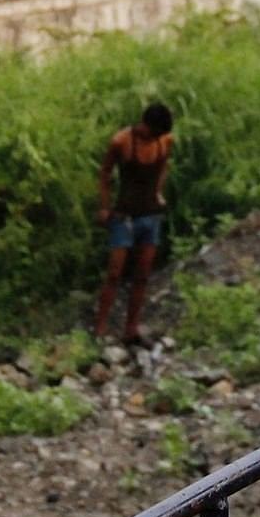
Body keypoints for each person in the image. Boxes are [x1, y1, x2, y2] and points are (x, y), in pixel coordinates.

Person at [95, 100, 176, 345]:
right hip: (124, 216)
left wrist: (159, 192)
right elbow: (105, 174)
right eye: (154, 133)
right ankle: (99, 330)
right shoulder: (121, 141)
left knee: (142, 275)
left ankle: (131, 328)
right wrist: (104, 207)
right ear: (146, 125)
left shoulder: (164, 141)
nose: (156, 138)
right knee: (114, 274)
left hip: (150, 216)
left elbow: (163, 166)